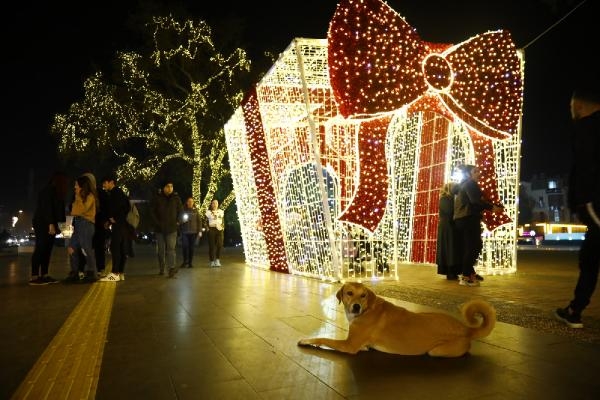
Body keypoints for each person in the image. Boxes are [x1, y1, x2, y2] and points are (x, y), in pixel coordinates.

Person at [555, 85, 600, 329]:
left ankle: (575, 310)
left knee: (590, 259)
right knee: (590, 257)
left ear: (579, 106)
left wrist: (583, 199)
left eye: (571, 106)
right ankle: (574, 309)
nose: (570, 110)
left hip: (595, 202)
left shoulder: (587, 127)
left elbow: (586, 165)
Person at [453, 165, 503, 287]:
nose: (479, 173)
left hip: (464, 218)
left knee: (472, 246)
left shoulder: (466, 184)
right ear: (469, 174)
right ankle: (465, 276)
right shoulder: (470, 184)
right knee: (474, 246)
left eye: (479, 171)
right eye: (475, 171)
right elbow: (475, 201)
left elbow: (473, 203)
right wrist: (493, 208)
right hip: (467, 218)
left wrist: (483, 216)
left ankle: (470, 273)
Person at [29, 171, 68, 285]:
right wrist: (50, 224)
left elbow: (60, 211)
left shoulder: (58, 193)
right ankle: (34, 276)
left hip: (52, 224)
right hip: (43, 223)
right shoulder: (47, 191)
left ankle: (44, 275)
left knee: (48, 249)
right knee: (40, 248)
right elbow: (47, 208)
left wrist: (61, 226)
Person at [99, 174, 132, 282]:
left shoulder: (115, 193)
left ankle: (115, 273)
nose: (103, 185)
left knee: (115, 247)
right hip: (122, 224)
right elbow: (127, 206)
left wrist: (113, 218)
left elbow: (118, 208)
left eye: (105, 183)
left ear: (111, 182)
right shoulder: (120, 192)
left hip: (118, 224)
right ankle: (121, 272)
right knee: (121, 248)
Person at [65, 175, 97, 283]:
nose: (75, 187)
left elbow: (80, 210)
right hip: (78, 223)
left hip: (86, 224)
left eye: (76, 185)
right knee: (71, 248)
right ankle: (75, 273)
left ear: (82, 186)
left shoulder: (90, 196)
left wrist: (77, 197)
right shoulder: (78, 196)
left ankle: (92, 273)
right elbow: (74, 211)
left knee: (86, 248)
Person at [150, 179, 183, 277]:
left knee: (171, 249)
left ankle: (171, 269)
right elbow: (152, 212)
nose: (170, 188)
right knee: (161, 250)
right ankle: (162, 268)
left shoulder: (176, 198)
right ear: (163, 188)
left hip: (172, 229)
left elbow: (180, 211)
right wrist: (157, 222)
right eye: (168, 186)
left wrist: (178, 221)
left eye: (171, 186)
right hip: (160, 229)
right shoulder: (157, 198)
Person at [436, 182, 460, 280]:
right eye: (454, 187)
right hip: (447, 227)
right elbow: (450, 211)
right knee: (449, 248)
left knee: (452, 248)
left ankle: (453, 271)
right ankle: (450, 271)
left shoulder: (451, 198)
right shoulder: (445, 199)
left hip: (451, 226)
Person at [179, 197, 202, 268]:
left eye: (192, 201)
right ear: (187, 202)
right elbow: (179, 220)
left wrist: (200, 231)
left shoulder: (196, 211)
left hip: (193, 232)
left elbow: (199, 221)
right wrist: (183, 221)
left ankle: (190, 262)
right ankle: (185, 261)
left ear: (193, 203)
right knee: (185, 247)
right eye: (189, 201)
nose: (190, 203)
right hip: (185, 232)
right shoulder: (183, 210)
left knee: (191, 248)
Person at [206, 198, 225, 267]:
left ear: (218, 204)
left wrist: (222, 227)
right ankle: (212, 261)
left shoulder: (221, 211)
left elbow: (223, 220)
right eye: (213, 203)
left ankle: (217, 260)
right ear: (211, 204)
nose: (215, 204)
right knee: (212, 246)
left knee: (220, 245)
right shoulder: (208, 212)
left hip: (219, 229)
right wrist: (207, 228)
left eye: (216, 203)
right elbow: (204, 221)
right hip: (211, 229)